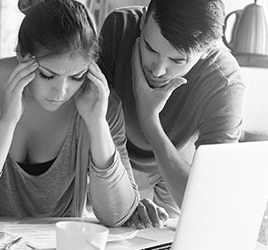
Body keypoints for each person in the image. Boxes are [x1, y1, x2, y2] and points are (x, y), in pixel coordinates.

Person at [0, 0, 140, 227]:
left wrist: (97, 124)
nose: (61, 92)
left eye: (77, 77)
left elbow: (118, 215)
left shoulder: (100, 102)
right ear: (22, 54)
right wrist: (7, 122)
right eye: (48, 75)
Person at [98, 0, 245, 228]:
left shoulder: (224, 82)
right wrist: (128, 197)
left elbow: (209, 204)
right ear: (144, 19)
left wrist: (150, 122)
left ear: (206, 50)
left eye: (177, 60)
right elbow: (100, 123)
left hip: (176, 173)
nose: (157, 70)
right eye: (150, 48)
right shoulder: (120, 27)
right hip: (116, 159)